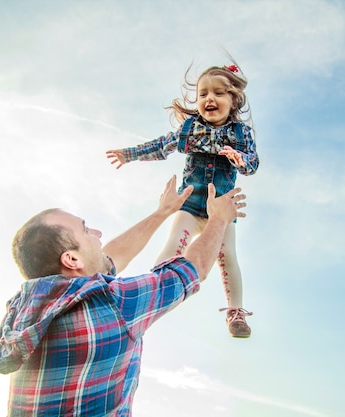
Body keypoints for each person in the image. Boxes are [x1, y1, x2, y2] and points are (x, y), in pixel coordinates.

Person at [0, 175, 246, 417]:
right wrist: (219, 219)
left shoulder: (24, 307)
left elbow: (108, 260)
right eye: (86, 230)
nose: (98, 234)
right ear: (71, 259)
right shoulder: (111, 305)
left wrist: (162, 213)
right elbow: (194, 268)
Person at [106, 60, 259, 338]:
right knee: (174, 244)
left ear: (234, 99)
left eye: (218, 93)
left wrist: (240, 159)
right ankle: (152, 293)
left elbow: (252, 164)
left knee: (226, 256)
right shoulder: (189, 130)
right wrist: (129, 154)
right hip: (189, 203)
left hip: (220, 210)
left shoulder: (241, 134)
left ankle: (236, 311)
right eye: (203, 94)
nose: (209, 98)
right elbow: (160, 146)